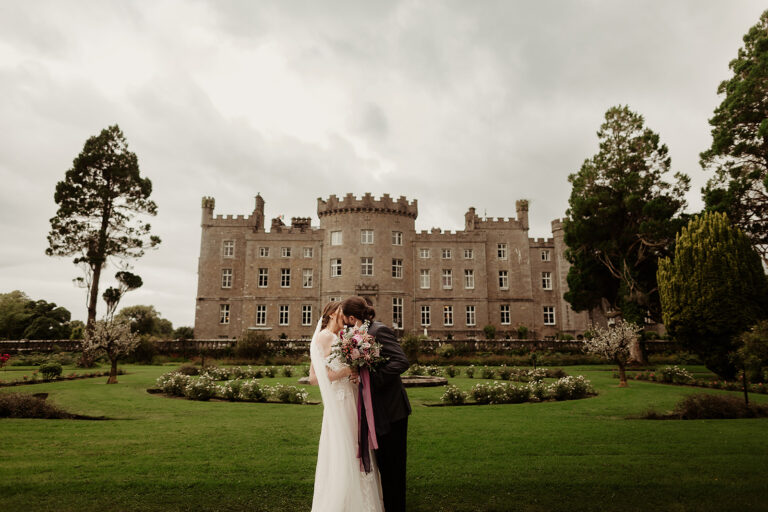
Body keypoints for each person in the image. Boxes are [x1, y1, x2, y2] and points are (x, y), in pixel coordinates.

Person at [308, 301, 384, 512]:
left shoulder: (342, 338)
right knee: (346, 449)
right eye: (343, 312)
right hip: (339, 402)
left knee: (357, 446)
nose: (347, 317)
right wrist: (344, 372)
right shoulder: (323, 337)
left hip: (351, 397)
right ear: (333, 314)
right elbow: (314, 378)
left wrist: (354, 373)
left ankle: (362, 499)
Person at [340, 296, 411, 512]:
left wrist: (371, 378)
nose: (343, 323)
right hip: (376, 411)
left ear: (352, 317)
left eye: (345, 319)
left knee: (393, 469)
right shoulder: (360, 334)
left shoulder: (379, 331)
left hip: (392, 410)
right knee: (383, 467)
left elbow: (401, 361)